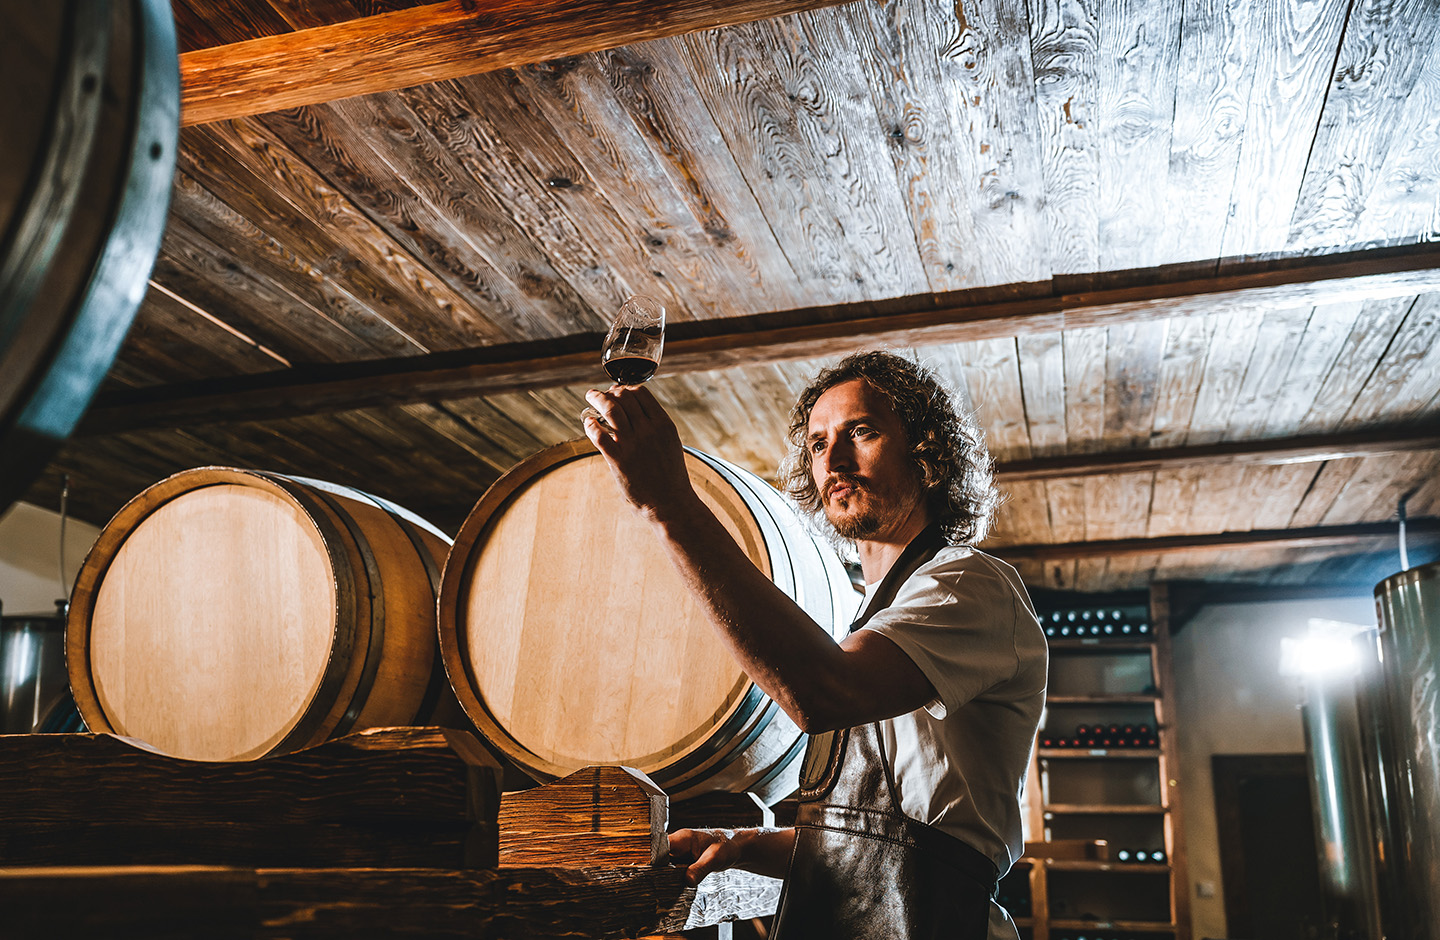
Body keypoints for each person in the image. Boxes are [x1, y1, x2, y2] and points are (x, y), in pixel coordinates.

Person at [583, 350, 1047, 940]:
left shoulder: (969, 585)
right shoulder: (869, 616)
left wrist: (668, 503)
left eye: (861, 431)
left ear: (928, 454)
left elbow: (824, 691)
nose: (835, 459)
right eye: (818, 444)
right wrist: (740, 843)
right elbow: (866, 841)